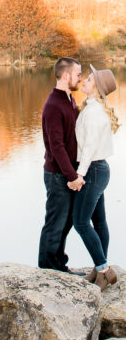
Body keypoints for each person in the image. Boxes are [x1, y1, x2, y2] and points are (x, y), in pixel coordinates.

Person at [68, 65, 120, 291]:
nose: (84, 81)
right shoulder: (93, 108)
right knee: (98, 221)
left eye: (89, 79)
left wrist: (79, 176)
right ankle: (100, 268)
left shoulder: (93, 113)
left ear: (96, 88)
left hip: (93, 170)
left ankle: (103, 269)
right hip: (100, 169)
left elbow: (88, 149)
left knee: (80, 222)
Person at [38, 57, 84, 272]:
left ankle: (59, 266)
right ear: (66, 76)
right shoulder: (54, 105)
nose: (80, 79)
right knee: (55, 224)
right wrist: (72, 177)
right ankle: (48, 270)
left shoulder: (68, 99)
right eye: (78, 74)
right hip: (58, 175)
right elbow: (56, 147)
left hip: (66, 173)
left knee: (66, 223)